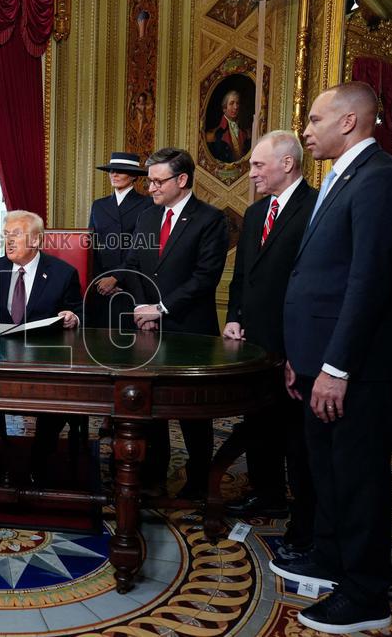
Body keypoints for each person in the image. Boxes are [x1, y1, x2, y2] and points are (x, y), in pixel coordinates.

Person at [275, 81, 392, 634]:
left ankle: (366, 593)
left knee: (357, 478)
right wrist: (300, 360)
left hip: (351, 368)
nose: (306, 129)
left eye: (312, 119)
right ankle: (331, 557)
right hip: (315, 361)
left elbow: (368, 282)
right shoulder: (339, 178)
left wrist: (335, 367)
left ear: (349, 121)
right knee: (326, 471)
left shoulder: (382, 179)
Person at [222, 131, 317, 550]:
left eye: (259, 165)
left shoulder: (315, 208)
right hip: (254, 342)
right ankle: (268, 493)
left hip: (295, 341)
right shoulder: (257, 211)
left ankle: (305, 508)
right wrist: (233, 318)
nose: (252, 172)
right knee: (258, 420)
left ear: (287, 164)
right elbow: (242, 276)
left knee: (296, 432)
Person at [124, 147, 228, 499]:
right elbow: (134, 265)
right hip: (147, 329)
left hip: (189, 330)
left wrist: (162, 308)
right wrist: (143, 307)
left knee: (192, 412)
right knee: (152, 407)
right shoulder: (146, 217)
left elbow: (204, 277)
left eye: (157, 181)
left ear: (181, 180)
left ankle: (199, 481)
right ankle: (154, 474)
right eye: (149, 181)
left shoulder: (211, 219)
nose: (150, 188)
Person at [0, 211, 82, 484]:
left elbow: (78, 314)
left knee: (63, 395)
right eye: (6, 235)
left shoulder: (63, 274)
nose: (8, 241)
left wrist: (73, 318)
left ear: (36, 240)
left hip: (45, 363)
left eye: (16, 235)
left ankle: (40, 459)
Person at [86, 152, 149, 329]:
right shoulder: (99, 205)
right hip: (100, 285)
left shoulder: (148, 204)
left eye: (120, 171)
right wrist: (101, 280)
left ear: (134, 176)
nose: (114, 174)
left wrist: (116, 277)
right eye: (111, 170)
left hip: (132, 284)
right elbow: (92, 246)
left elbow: (141, 248)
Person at [208, 89, 250, 163]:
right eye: (231, 103)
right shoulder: (215, 133)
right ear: (224, 108)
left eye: (237, 103)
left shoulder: (245, 131)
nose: (236, 107)